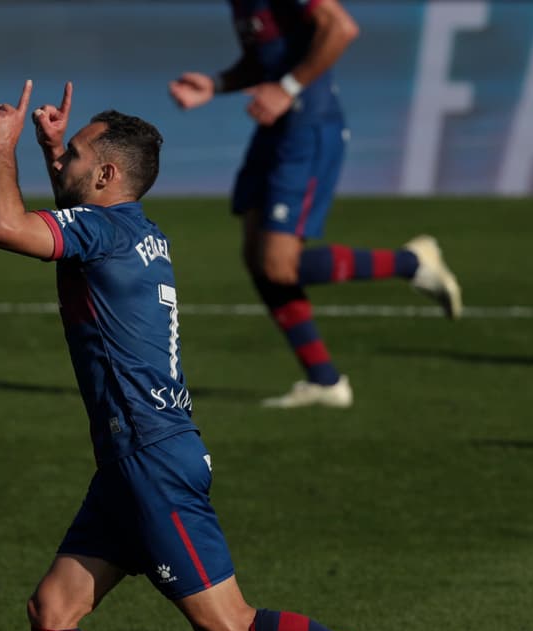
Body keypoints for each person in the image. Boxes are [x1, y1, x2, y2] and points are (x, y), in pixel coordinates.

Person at [0, 80, 455, 631]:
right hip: (133, 461)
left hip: (150, 464)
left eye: (75, 155)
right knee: (55, 606)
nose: (66, 158)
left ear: (107, 176)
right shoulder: (132, 228)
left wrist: (2, 148)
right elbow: (72, 222)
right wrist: (49, 151)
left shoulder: (103, 233)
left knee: (226, 629)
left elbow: (6, 227)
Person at [168, 0, 461, 408]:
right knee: (258, 259)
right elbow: (268, 60)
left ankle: (412, 262)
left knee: (277, 264)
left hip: (308, 130)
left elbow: (340, 28)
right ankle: (325, 381)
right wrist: (216, 85)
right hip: (276, 131)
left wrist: (287, 89)